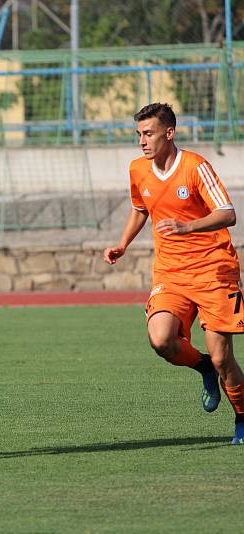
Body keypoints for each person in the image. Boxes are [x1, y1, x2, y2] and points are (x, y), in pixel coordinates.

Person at [104, 102, 244, 444]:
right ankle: (202, 366)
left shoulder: (196, 167)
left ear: (169, 133)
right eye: (139, 134)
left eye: (148, 133)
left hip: (214, 271)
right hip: (171, 272)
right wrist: (123, 243)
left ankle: (242, 417)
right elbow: (140, 208)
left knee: (225, 357)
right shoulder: (138, 170)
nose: (142, 141)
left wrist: (187, 226)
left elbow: (228, 214)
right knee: (161, 339)